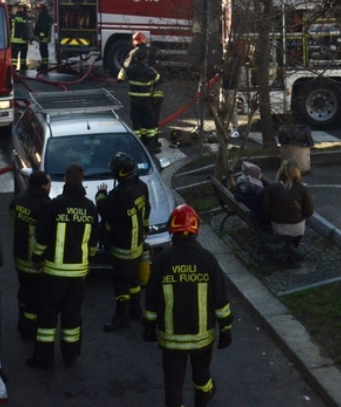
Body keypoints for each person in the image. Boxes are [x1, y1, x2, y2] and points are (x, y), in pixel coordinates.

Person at [144, 204, 233, 407]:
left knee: (173, 385)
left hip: (172, 340)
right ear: (195, 229)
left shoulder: (162, 261)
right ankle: (203, 397)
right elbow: (220, 297)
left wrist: (148, 326)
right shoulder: (207, 259)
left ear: (171, 230)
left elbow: (152, 300)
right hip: (202, 338)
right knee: (202, 376)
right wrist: (226, 327)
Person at [27, 163, 98, 369]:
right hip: (78, 274)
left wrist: (37, 257)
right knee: (72, 315)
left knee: (48, 316)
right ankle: (70, 355)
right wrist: (89, 262)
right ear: (82, 181)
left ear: (66, 180)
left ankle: (43, 358)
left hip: (54, 273)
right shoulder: (89, 207)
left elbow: (42, 236)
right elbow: (94, 242)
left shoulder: (56, 205)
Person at [95, 152, 150, 332]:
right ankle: (136, 310)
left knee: (121, 285)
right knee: (133, 281)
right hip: (137, 245)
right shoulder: (141, 187)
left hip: (123, 248)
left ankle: (121, 317)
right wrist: (145, 231)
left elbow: (103, 209)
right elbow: (146, 212)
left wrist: (101, 194)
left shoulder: (120, 196)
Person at [9, 170, 52, 341]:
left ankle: (22, 323)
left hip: (19, 256)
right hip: (35, 260)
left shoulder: (17, 201)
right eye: (48, 183)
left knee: (24, 292)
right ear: (42, 186)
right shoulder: (45, 206)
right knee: (35, 299)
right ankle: (30, 330)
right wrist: (39, 257)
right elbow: (45, 235)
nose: (50, 186)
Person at [260, 160, 314, 248]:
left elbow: (265, 209)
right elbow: (308, 212)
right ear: (297, 172)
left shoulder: (272, 187)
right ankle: (293, 248)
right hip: (296, 228)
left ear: (281, 171)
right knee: (298, 230)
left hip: (278, 225)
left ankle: (287, 248)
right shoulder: (302, 189)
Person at [120, 44, 163, 151]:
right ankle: (152, 145)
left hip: (134, 101)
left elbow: (123, 77)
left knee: (136, 123)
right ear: (145, 58)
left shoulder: (129, 70)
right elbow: (158, 79)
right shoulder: (149, 70)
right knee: (150, 122)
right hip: (146, 101)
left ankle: (137, 145)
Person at [232, 160, 270, 228]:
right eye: (259, 173)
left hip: (251, 215)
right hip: (261, 219)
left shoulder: (243, 186)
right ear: (254, 177)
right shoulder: (258, 191)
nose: (262, 174)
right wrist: (262, 180)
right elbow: (269, 189)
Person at [33, 0, 54, 73]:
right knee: (44, 50)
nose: (39, 11)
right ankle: (44, 64)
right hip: (44, 37)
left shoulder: (44, 16)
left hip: (43, 38)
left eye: (40, 9)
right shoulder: (44, 15)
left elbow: (43, 26)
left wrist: (41, 36)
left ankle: (44, 66)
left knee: (43, 50)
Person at [11, 2, 32, 71]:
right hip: (24, 41)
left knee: (14, 57)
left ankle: (13, 68)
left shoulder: (13, 18)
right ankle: (23, 67)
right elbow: (30, 29)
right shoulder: (27, 18)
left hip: (14, 41)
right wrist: (30, 38)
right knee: (23, 56)